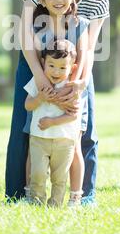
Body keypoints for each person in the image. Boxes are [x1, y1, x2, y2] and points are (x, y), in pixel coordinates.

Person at [5, 0, 110, 205]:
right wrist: (39, 76)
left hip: (76, 65)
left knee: (84, 129)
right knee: (24, 127)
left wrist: (78, 83)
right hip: (34, 60)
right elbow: (24, 31)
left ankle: (84, 196)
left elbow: (89, 49)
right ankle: (18, 195)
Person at [23, 0, 89, 206]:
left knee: (74, 147)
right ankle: (32, 196)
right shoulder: (36, 27)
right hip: (44, 91)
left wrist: (75, 87)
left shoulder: (80, 25)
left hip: (71, 89)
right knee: (34, 147)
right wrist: (43, 88)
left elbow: (84, 58)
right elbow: (34, 58)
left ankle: (74, 198)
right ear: (42, 0)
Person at [25, 39, 85, 207]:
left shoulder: (72, 88)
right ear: (43, 62)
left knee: (59, 177)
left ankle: (55, 205)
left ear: (72, 68)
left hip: (64, 141)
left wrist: (53, 121)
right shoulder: (38, 81)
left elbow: (73, 115)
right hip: (39, 138)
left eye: (62, 67)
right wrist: (39, 98)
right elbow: (27, 105)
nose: (56, 72)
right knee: (37, 173)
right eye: (51, 65)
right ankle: (36, 201)